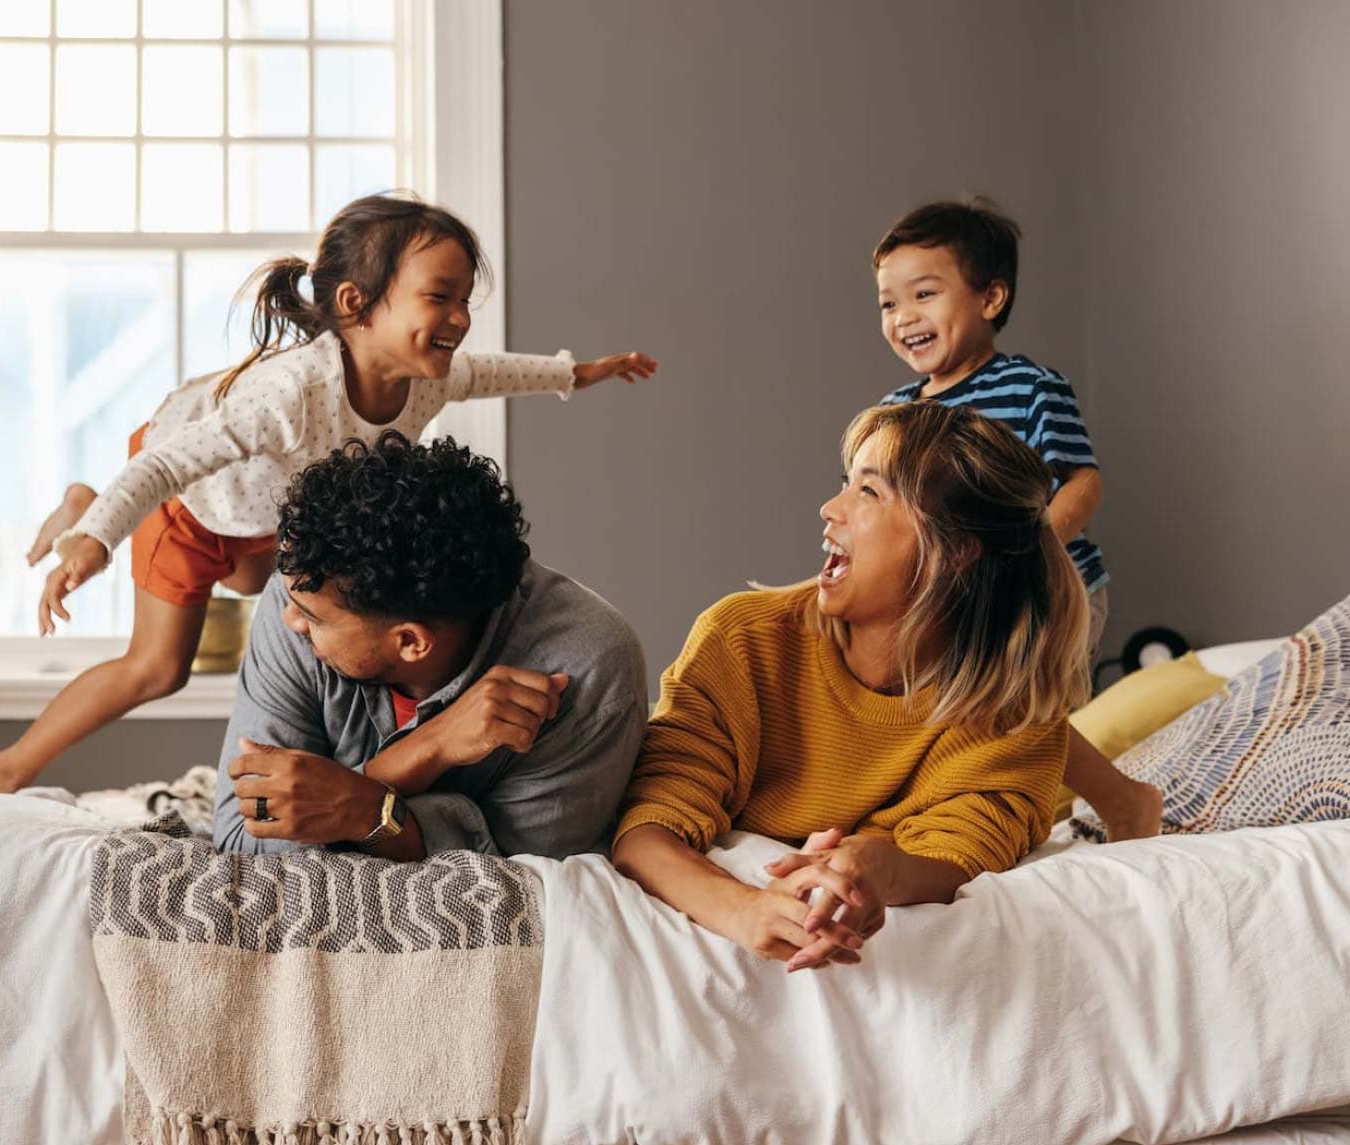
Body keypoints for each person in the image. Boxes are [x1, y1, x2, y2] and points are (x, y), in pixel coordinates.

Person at [0, 194, 656, 797]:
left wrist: (584, 372)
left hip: (267, 520)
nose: (460, 318)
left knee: (290, 593)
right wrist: (97, 537)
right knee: (157, 668)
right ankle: (5, 766)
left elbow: (499, 373)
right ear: (358, 303)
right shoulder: (293, 394)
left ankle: (91, 498)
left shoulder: (431, 376)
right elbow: (169, 462)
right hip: (191, 504)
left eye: (465, 300)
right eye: (439, 296)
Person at [613, 401, 1090, 972]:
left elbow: (959, 855)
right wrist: (744, 910)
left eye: (869, 493)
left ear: (957, 550)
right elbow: (646, 832)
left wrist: (877, 866)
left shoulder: (1013, 714)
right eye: (847, 483)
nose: (828, 508)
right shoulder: (742, 640)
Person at [213, 431, 648, 860]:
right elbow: (241, 838)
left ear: (411, 642)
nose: (290, 620)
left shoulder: (587, 665)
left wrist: (360, 808)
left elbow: (524, 881)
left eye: (311, 618)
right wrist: (423, 753)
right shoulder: (306, 587)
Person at [871, 196, 1159, 840]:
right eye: (889, 303)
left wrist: (1033, 547)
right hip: (953, 597)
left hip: (1046, 585)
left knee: (1014, 702)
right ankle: (963, 816)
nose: (904, 317)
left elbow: (1082, 479)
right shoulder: (895, 413)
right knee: (954, 707)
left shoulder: (1030, 387)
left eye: (923, 294)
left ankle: (1122, 802)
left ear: (990, 299)